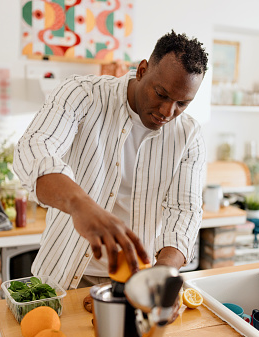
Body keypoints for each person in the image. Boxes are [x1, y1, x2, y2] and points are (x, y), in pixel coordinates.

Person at [13, 30, 208, 290]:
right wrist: (79, 204)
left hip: (135, 281)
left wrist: (162, 275)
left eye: (182, 103)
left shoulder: (189, 135)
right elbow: (34, 148)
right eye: (161, 94)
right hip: (61, 276)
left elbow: (184, 212)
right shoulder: (83, 94)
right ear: (141, 71)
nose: (167, 111)